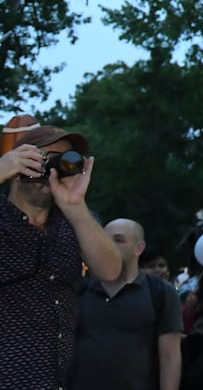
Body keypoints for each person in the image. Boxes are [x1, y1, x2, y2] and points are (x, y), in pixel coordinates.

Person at [0, 121, 122, 390]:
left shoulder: (77, 222)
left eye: (60, 161)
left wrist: (76, 207)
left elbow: (112, 271)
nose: (49, 169)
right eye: (40, 159)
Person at [70, 217, 184, 390]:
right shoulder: (79, 290)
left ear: (139, 248)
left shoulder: (159, 291)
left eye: (118, 240)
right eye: (104, 239)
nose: (108, 245)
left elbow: (170, 356)